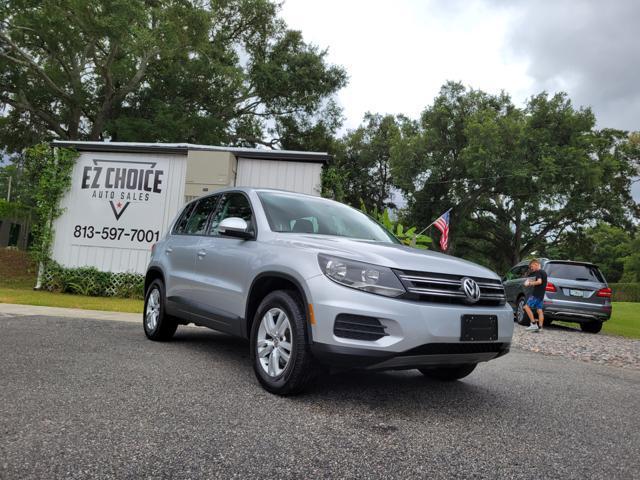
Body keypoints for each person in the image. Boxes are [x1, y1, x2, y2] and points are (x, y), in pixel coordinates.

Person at [523, 259, 547, 332]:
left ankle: (533, 324)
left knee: (526, 307)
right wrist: (531, 281)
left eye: (532, 266)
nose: (531, 268)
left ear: (536, 264)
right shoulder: (544, 272)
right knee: (539, 311)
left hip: (536, 294)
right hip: (541, 295)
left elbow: (539, 282)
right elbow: (542, 282)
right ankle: (540, 327)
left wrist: (529, 283)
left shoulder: (538, 272)